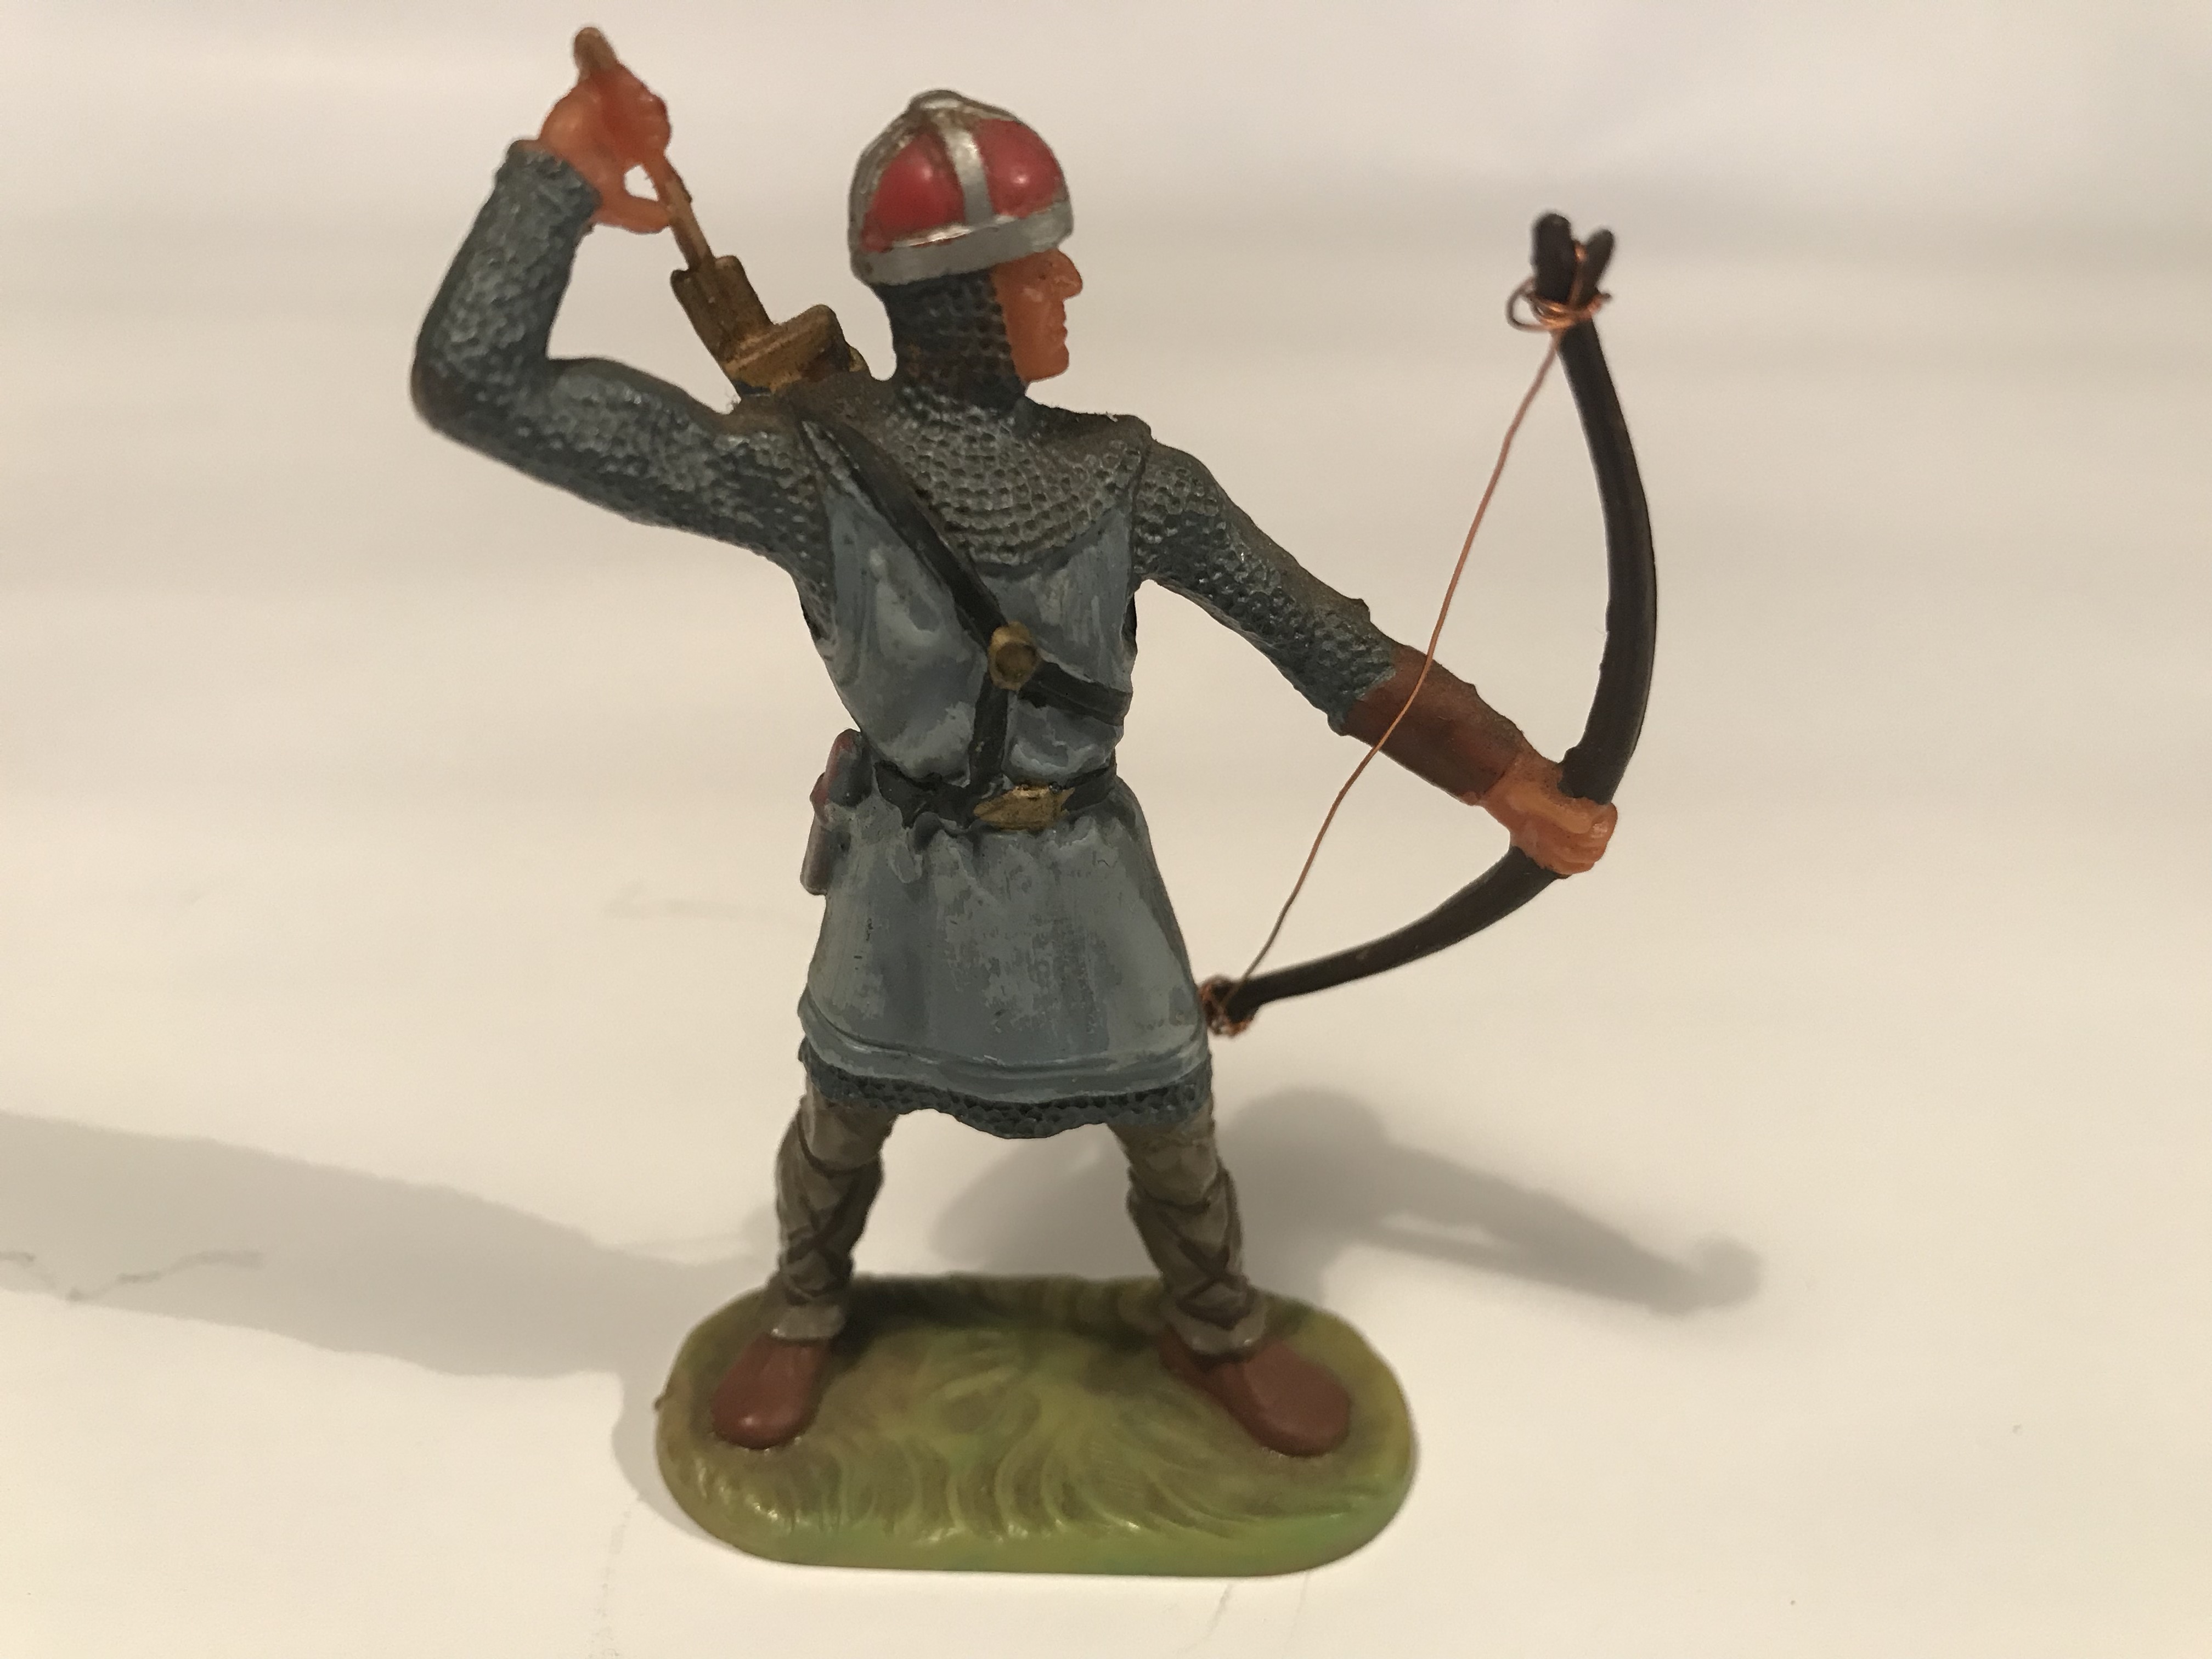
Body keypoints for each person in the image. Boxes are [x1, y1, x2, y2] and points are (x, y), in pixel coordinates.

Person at [412, 62, 1615, 1458]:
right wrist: (559, 172)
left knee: (1169, 1115)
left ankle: (1216, 1325)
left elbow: (1321, 643)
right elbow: (477, 383)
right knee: (844, 1108)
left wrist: (1507, 780)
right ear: (964, 298)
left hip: (1081, 868)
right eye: (1038, 267)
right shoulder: (806, 473)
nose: (1069, 286)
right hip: (906, 864)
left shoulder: (1132, 480)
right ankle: (804, 1307)